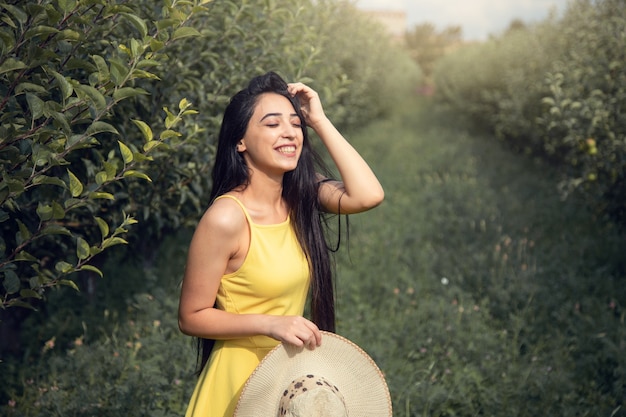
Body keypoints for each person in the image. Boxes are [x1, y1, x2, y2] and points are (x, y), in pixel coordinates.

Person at [178, 71, 384, 417]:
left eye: (295, 124)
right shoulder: (227, 218)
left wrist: (319, 120)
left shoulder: (300, 196)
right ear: (240, 141)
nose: (289, 132)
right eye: (272, 124)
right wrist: (270, 323)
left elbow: (368, 195)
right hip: (239, 381)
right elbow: (191, 317)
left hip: (289, 379)